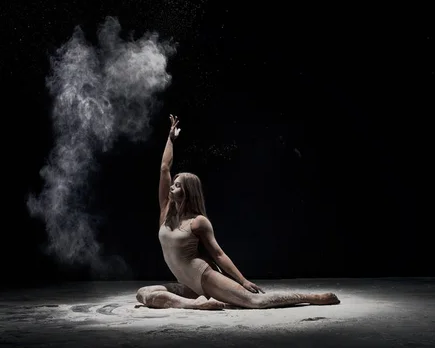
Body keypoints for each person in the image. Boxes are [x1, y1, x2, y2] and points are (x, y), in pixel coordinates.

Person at [136, 114, 340, 310]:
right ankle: (197, 304)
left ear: (188, 192)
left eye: (178, 185)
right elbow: (164, 168)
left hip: (203, 277)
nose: (172, 187)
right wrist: (170, 139)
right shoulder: (166, 213)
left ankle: (312, 297)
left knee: (255, 302)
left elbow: (218, 254)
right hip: (189, 285)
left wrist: (242, 280)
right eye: (173, 183)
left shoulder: (198, 222)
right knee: (144, 293)